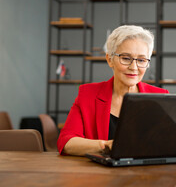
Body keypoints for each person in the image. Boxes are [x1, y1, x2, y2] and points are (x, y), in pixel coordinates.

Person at [57, 25, 169, 156]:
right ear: (110, 60)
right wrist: (106, 145)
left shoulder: (161, 97)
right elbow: (66, 142)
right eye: (126, 58)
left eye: (141, 60)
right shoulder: (88, 94)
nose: (134, 67)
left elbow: (169, 143)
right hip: (100, 174)